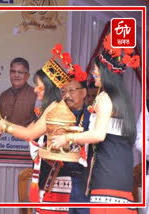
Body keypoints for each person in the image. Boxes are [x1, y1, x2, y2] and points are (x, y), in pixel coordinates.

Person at [0, 44, 87, 213]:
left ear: (50, 88)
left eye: (40, 86)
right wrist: (0, 125)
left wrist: (3, 125)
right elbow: (26, 130)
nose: (35, 90)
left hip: (58, 180)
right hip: (51, 177)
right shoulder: (48, 108)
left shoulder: (55, 107)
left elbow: (30, 133)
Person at [51, 33, 140, 214]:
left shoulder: (105, 97)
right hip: (122, 175)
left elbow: (98, 134)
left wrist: (67, 137)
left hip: (106, 174)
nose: (94, 74)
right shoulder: (124, 100)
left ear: (106, 72)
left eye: (97, 70)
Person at [60, 78, 91, 214]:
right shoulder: (58, 117)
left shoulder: (93, 117)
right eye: (63, 91)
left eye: (71, 91)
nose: (67, 95)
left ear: (84, 92)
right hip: (62, 179)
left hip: (84, 181)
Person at [0, 57, 37, 126]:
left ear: (27, 76)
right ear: (10, 73)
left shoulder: (35, 95)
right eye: (13, 72)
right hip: (4, 136)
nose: (16, 75)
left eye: (20, 72)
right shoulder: (4, 95)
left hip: (27, 136)